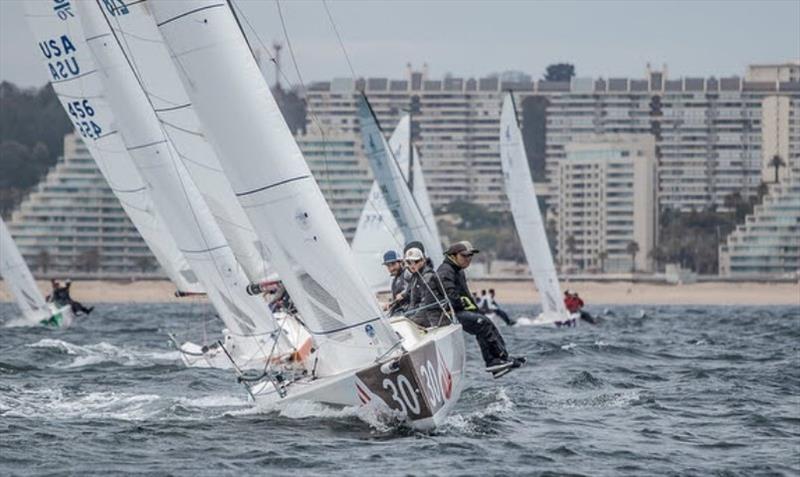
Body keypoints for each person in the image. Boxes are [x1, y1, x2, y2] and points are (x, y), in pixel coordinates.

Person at [437, 241, 525, 378]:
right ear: (453, 256)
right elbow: (452, 298)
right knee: (482, 324)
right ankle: (493, 362)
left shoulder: (458, 271)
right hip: (449, 314)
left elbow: (466, 295)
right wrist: (466, 307)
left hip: (459, 311)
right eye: (464, 256)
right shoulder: (445, 271)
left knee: (486, 321)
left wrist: (477, 311)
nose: (468, 259)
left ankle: (502, 358)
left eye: (470, 256)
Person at [404, 247, 447, 328]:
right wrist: (406, 317)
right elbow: (413, 303)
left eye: (416, 262)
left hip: (435, 320)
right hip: (423, 318)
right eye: (409, 262)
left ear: (423, 260)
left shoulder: (428, 277)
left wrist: (412, 320)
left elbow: (426, 303)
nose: (412, 265)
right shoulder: (415, 278)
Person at [382, 250, 409, 315]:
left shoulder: (408, 273)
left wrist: (403, 294)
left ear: (400, 262)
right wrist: (390, 304)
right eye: (388, 266)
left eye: (393, 264)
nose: (391, 268)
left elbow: (414, 288)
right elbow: (395, 299)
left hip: (409, 311)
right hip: (399, 312)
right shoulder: (394, 280)